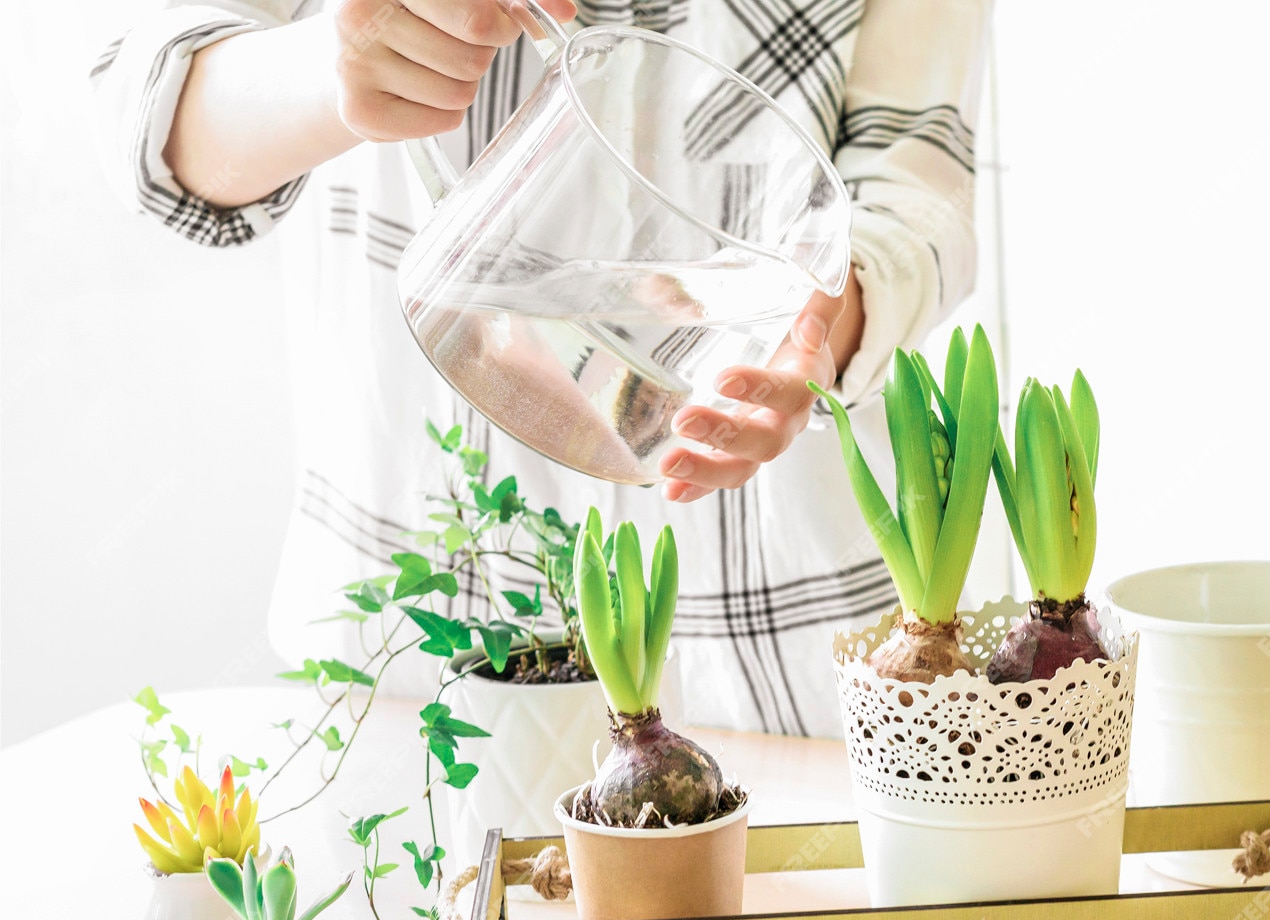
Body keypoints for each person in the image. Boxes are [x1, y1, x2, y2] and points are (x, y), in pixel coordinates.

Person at [91, 0, 989, 736]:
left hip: (770, 673)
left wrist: (822, 327)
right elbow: (148, 99)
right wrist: (331, 73)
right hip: (405, 652)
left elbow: (915, 176)